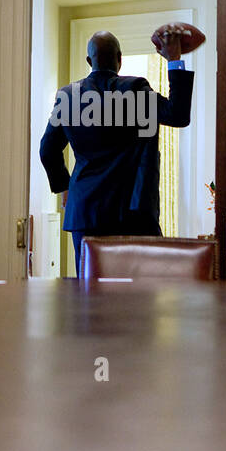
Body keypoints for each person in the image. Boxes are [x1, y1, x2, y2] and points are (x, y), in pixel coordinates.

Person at [39, 26, 194, 275]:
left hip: (85, 213)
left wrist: (65, 187)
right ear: (119, 60)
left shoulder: (67, 96)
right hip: (132, 214)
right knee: (136, 299)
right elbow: (178, 114)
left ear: (89, 61)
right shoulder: (135, 90)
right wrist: (174, 60)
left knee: (90, 298)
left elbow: (47, 150)